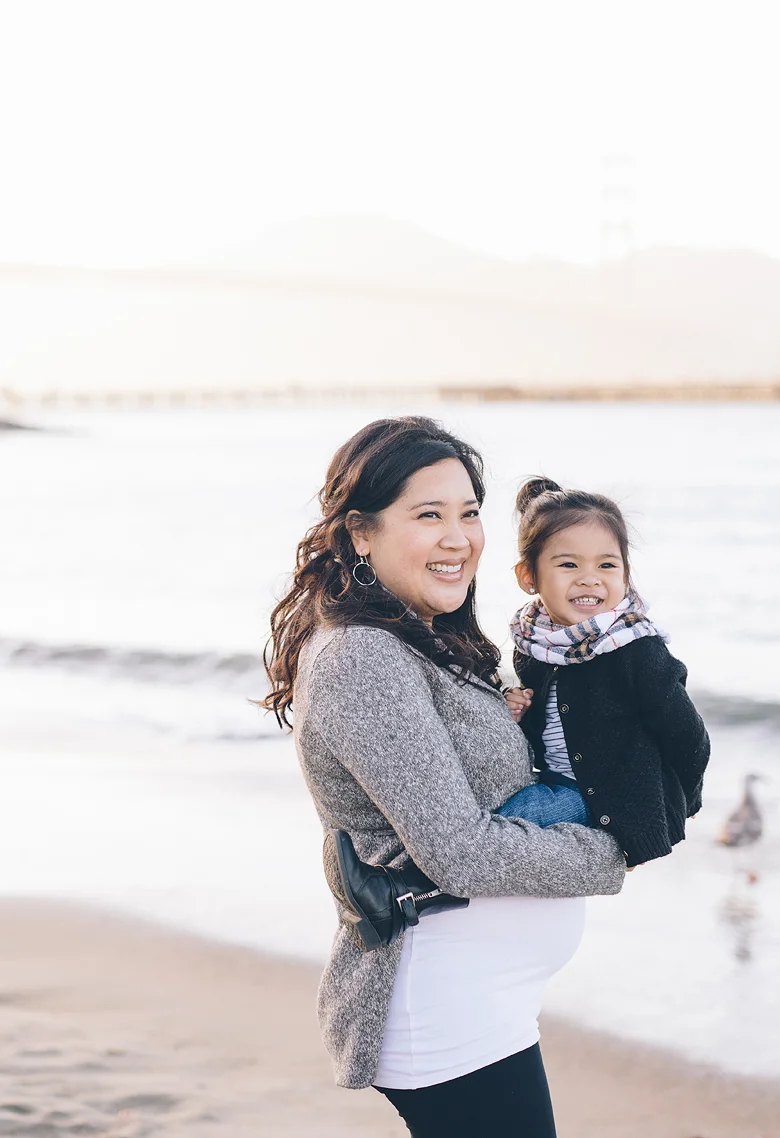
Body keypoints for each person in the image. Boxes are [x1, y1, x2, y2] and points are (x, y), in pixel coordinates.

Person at [263, 417, 626, 1137]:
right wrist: (611, 852)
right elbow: (457, 849)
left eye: (468, 513)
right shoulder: (360, 659)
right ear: (360, 532)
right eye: (428, 515)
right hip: (442, 1002)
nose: (458, 537)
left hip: (478, 996)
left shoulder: (418, 638)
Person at [339, 477, 712, 943]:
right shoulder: (537, 646)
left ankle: (404, 886)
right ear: (528, 577)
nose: (590, 578)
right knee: (494, 818)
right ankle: (418, 891)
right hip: (560, 780)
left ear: (626, 574)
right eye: (568, 564)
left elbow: (688, 735)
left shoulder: (634, 649)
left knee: (504, 818)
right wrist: (513, 712)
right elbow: (553, 726)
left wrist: (685, 800)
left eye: (607, 565)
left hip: (605, 796)